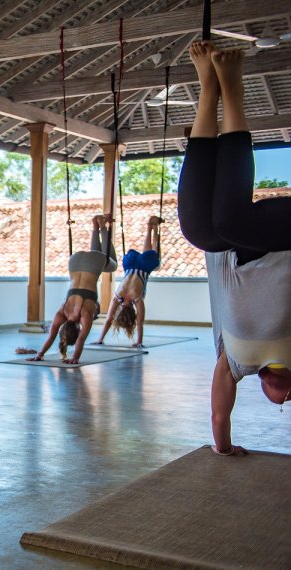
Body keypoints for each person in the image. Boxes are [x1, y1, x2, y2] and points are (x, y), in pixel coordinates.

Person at [177, 41, 291, 457]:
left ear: (260, 385)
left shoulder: (237, 364)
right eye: (290, 398)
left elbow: (220, 417)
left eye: (276, 400)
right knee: (227, 222)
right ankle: (234, 91)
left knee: (199, 230)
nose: (284, 396)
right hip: (285, 238)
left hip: (248, 244)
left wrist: (223, 449)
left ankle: (208, 91)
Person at [26, 215, 117, 364]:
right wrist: (40, 354)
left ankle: (102, 227)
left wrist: (75, 358)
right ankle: (96, 225)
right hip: (74, 260)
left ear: (77, 328)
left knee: (111, 263)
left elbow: (82, 338)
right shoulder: (62, 312)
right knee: (100, 257)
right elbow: (51, 336)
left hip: (93, 263)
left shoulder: (85, 314)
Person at [92, 216, 162, 347]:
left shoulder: (137, 299)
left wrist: (139, 342)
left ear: (133, 313)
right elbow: (108, 319)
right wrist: (100, 339)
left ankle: (154, 229)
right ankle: (149, 228)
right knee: (148, 255)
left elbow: (140, 322)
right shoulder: (118, 296)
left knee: (155, 260)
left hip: (143, 266)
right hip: (129, 262)